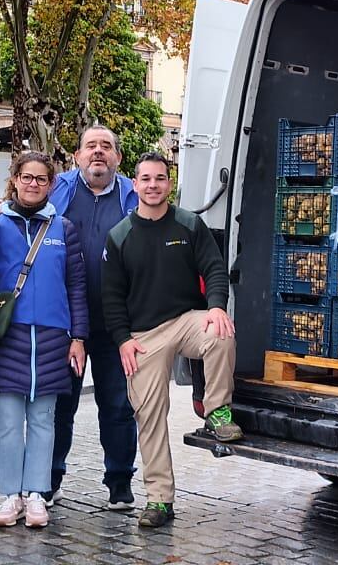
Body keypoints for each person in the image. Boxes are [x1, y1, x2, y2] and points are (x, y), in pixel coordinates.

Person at [101, 153, 241, 528]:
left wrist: (215, 306)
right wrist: (122, 341)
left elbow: (214, 269)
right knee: (148, 416)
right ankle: (160, 500)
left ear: (169, 182)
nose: (153, 185)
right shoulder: (120, 237)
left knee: (220, 330)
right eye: (145, 179)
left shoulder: (189, 224)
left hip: (186, 320)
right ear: (135, 184)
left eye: (160, 179)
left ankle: (217, 412)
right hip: (143, 334)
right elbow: (111, 296)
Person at [0, 151, 89, 528]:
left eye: (41, 179)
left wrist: (79, 337)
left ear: (51, 184)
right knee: (9, 421)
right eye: (27, 177)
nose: (33, 184)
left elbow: (76, 285)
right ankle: (11, 495)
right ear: (14, 179)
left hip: (52, 335)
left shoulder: (64, 228)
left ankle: (38, 494)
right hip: (7, 335)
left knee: (44, 419)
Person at [45, 125, 139, 508]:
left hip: (118, 324)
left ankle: (119, 481)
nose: (98, 152)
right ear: (77, 156)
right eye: (90, 146)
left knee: (118, 406)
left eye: (106, 147)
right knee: (59, 405)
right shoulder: (57, 191)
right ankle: (48, 478)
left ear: (117, 157)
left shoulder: (133, 195)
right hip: (67, 324)